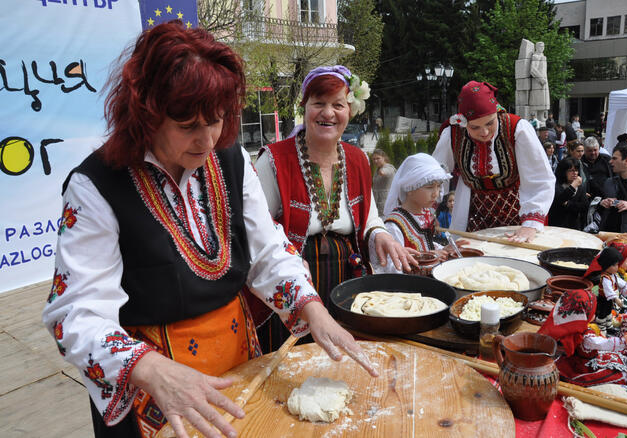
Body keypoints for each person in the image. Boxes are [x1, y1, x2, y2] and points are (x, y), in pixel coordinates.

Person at [42, 23, 378, 438]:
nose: (206, 139)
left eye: (217, 120)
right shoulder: (96, 186)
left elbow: (268, 250)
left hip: (240, 364)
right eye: (187, 125)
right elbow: (75, 313)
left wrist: (312, 308)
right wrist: (150, 370)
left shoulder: (230, 159)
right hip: (154, 390)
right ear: (146, 113)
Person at [255, 65, 414, 306]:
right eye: (318, 103)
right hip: (294, 278)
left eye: (338, 105)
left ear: (350, 111)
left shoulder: (357, 158)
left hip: (348, 276)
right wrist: (286, 263)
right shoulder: (274, 159)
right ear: (304, 107)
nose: (328, 113)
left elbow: (370, 218)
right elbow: (259, 229)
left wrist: (381, 235)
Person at [431, 81, 555, 242]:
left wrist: (530, 224)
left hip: (516, 221)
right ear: (462, 122)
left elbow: (540, 178)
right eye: (474, 127)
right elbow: (435, 179)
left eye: (490, 123)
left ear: (497, 112)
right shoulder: (452, 134)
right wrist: (427, 212)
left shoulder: (517, 129)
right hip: (471, 218)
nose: (484, 132)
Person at [538, 288, 627, 387]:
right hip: (585, 366)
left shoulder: (570, 327)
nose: (594, 315)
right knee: (617, 373)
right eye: (592, 311)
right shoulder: (586, 336)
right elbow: (603, 344)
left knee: (619, 360)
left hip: (585, 358)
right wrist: (624, 341)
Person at [379, 154, 456, 271]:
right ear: (410, 189)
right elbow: (392, 266)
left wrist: (444, 249)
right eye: (430, 187)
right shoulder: (394, 225)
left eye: (438, 186)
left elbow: (425, 243)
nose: (436, 193)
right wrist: (431, 256)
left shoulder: (424, 212)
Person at [583, 246, 627, 333]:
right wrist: (616, 299)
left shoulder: (612, 275)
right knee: (602, 314)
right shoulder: (605, 278)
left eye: (617, 264)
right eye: (614, 265)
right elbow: (608, 290)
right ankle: (601, 329)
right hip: (604, 299)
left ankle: (609, 326)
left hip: (609, 299)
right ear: (606, 265)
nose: (617, 267)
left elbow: (619, 281)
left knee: (608, 312)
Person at [548, 157, 590, 230]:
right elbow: (560, 200)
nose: (575, 173)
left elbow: (584, 206)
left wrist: (568, 204)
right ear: (563, 172)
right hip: (557, 225)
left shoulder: (580, 187)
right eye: (571, 171)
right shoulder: (556, 185)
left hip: (574, 226)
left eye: (576, 170)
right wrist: (573, 186)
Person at [371, 148, 396, 217]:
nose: (375, 161)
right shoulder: (377, 169)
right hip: (377, 203)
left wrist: (382, 172)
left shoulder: (389, 167)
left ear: (384, 158)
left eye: (378, 158)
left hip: (385, 205)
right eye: (374, 159)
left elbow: (385, 172)